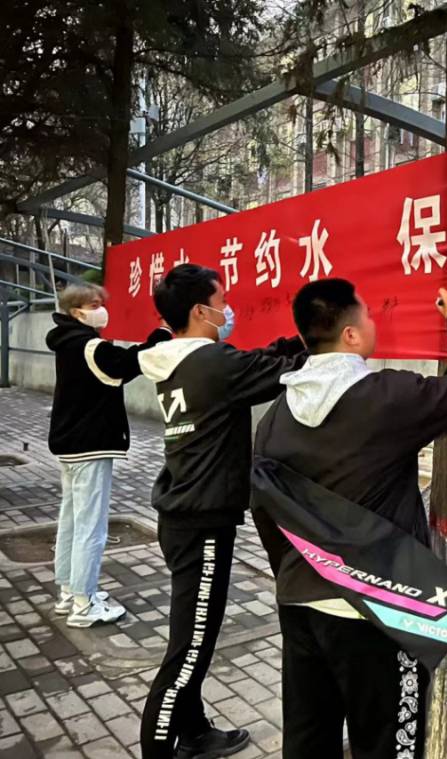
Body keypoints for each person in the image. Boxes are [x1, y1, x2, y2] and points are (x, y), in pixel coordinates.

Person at [252, 277, 447, 759]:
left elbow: (265, 509)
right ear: (351, 334)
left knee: (308, 739)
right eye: (368, 314)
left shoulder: (277, 413)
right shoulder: (385, 397)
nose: (374, 321)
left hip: (300, 603)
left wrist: (302, 572)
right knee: (387, 743)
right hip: (378, 611)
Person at [136, 264, 306, 759]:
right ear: (199, 311)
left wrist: (294, 339)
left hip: (182, 516)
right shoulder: (212, 362)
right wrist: (319, 336)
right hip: (202, 524)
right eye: (221, 302)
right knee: (189, 651)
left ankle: (194, 733)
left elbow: (256, 361)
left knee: (191, 636)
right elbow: (277, 370)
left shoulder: (180, 361)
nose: (227, 311)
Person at [47, 283, 171, 628]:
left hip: (70, 445)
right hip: (89, 445)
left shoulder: (67, 341)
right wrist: (163, 332)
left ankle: (69, 592)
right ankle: (84, 605)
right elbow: (130, 363)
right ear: (76, 311)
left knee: (72, 521)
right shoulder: (90, 346)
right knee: (91, 527)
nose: (101, 309)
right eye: (93, 304)